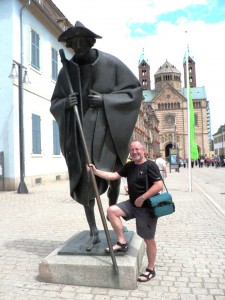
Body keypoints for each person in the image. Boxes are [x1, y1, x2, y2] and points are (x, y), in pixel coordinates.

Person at [50, 21, 142, 251]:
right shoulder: (67, 70)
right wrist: (65, 103)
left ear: (91, 42)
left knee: (112, 179)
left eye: (82, 42)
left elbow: (134, 92)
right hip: (80, 135)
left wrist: (106, 100)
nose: (78, 47)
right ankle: (93, 231)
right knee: (84, 183)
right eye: (74, 43)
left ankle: (113, 220)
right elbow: (55, 102)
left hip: (107, 134)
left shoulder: (110, 63)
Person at [88, 140, 163, 282]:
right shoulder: (129, 166)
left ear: (143, 150)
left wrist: (143, 197)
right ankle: (122, 242)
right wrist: (95, 171)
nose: (134, 152)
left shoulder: (150, 165)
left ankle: (151, 269)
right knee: (112, 211)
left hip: (147, 207)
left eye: (137, 149)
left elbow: (159, 185)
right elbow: (114, 176)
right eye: (132, 150)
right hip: (132, 204)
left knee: (148, 239)